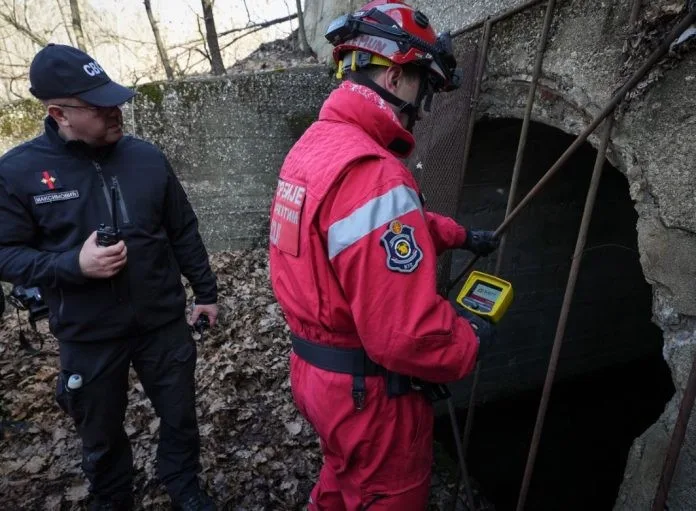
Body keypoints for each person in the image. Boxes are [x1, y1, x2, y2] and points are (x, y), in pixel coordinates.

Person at [268, 1, 499, 509]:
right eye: (425, 86)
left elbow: (358, 235)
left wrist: (458, 236)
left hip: (316, 374)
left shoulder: (315, 147)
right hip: (369, 395)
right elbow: (404, 335)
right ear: (396, 77)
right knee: (385, 496)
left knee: (339, 481)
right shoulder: (374, 173)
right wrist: (468, 341)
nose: (425, 104)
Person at [0, 44, 218, 511]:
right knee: (100, 437)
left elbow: (182, 228)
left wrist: (206, 291)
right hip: (88, 335)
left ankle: (185, 487)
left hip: (161, 324)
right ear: (59, 113)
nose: (116, 112)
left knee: (180, 419)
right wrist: (70, 266)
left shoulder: (147, 158)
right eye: (100, 107)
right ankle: (113, 499)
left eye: (115, 99)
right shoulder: (17, 173)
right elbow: (6, 255)